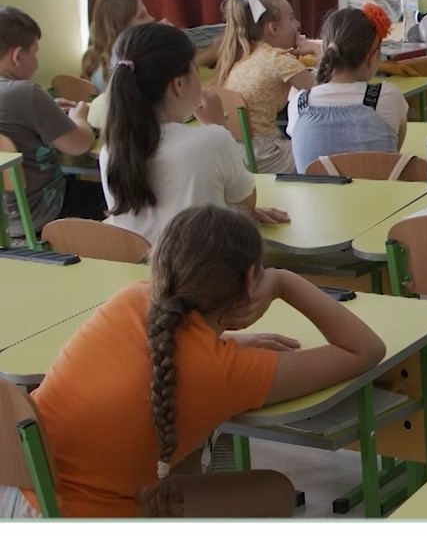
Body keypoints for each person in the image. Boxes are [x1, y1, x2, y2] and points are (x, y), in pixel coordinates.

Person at [23, 205, 386, 517]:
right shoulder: (224, 372)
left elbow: (166, 347)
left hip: (24, 495)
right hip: (84, 529)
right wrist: (284, 282)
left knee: (186, 454)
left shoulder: (129, 299)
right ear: (250, 280)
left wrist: (225, 343)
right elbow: (365, 350)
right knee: (274, 491)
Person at [101, 22, 287, 244]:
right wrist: (219, 125)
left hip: (140, 266)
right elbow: (245, 203)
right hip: (201, 264)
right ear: (179, 84)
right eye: (195, 70)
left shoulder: (110, 150)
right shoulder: (212, 140)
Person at [0, 6, 99, 240]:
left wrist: (49, 110)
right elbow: (79, 145)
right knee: (116, 197)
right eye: (34, 53)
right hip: (42, 213)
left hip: (4, 221)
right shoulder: (26, 93)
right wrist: (79, 117)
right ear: (17, 56)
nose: (36, 60)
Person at [286, 4, 408, 173]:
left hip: (315, 191)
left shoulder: (298, 104)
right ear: (371, 57)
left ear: (325, 50)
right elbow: (394, 152)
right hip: (377, 190)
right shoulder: (389, 97)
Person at [212, 0, 321, 174]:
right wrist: (318, 51)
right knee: (325, 151)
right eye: (291, 18)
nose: (297, 24)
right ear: (274, 29)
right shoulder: (278, 60)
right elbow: (325, 96)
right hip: (266, 155)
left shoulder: (240, 55)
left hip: (238, 153)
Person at [81, 0, 153, 92]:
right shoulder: (126, 67)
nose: (151, 19)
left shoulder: (96, 61)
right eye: (142, 16)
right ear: (120, 27)